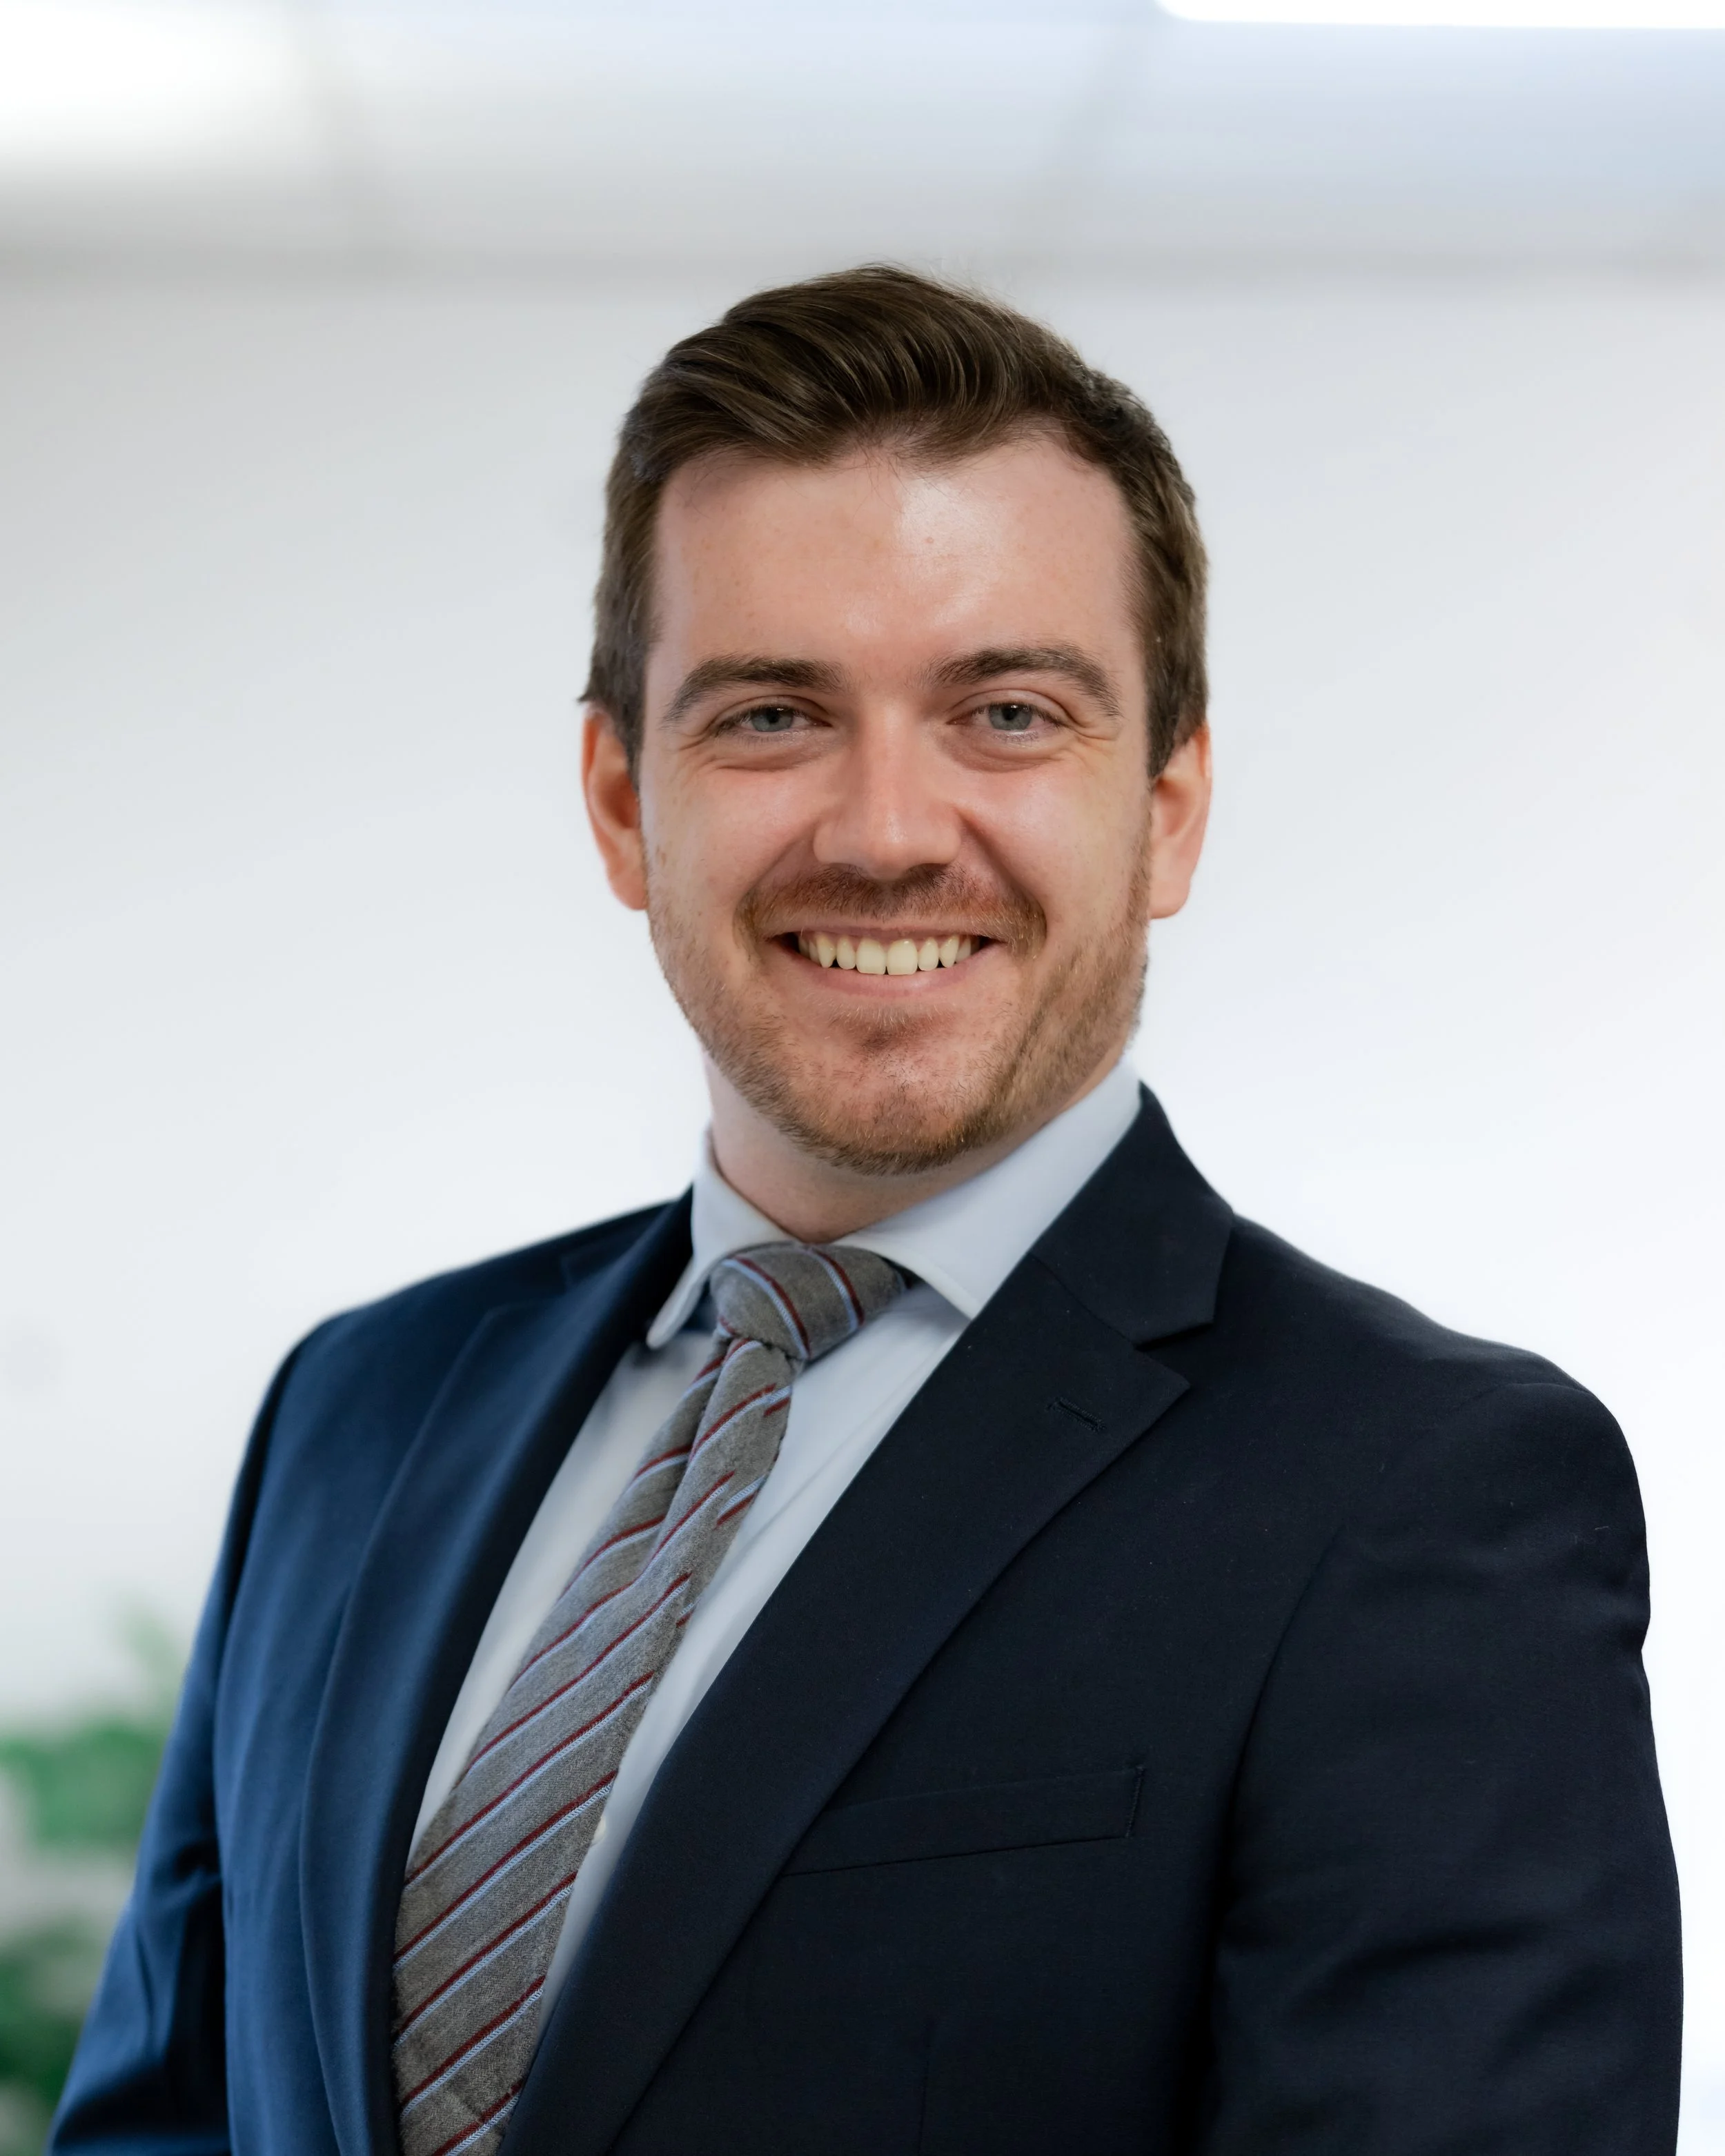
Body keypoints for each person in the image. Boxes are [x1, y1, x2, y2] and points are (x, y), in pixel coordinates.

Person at [52, 266, 1679, 2156]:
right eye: (768, 715)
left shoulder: (1419, 1494)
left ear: (1164, 808)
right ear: (616, 797)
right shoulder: (358, 1408)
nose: (887, 825)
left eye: (1002, 710)